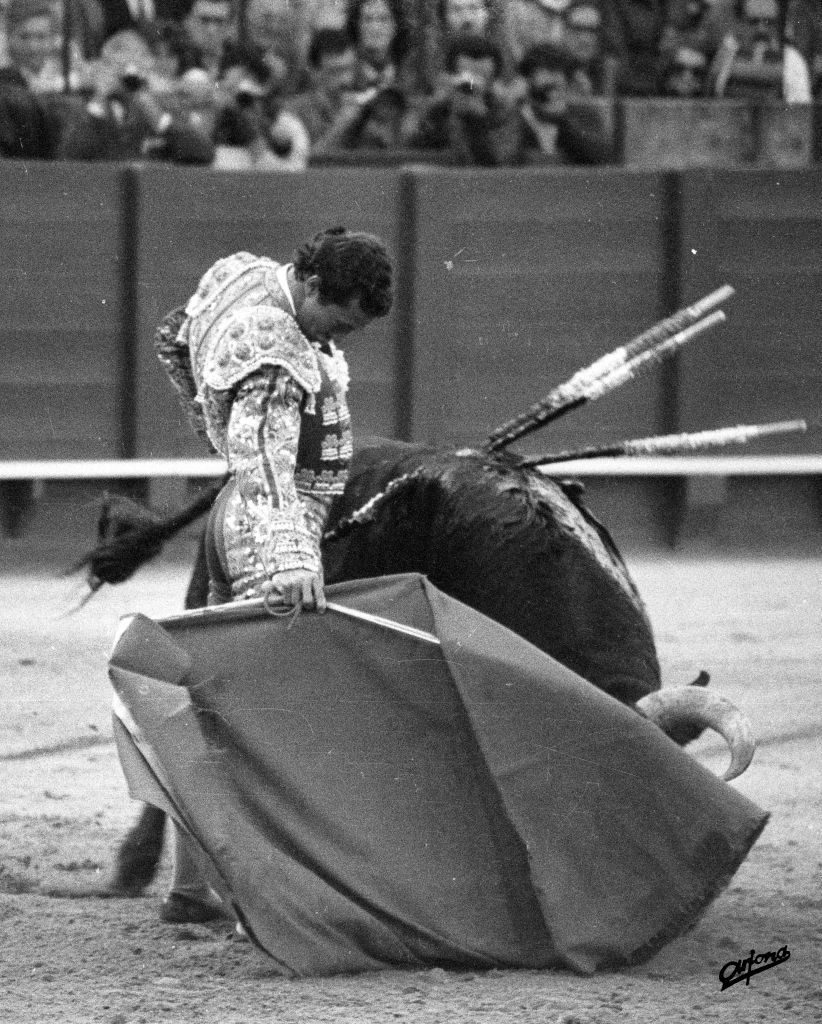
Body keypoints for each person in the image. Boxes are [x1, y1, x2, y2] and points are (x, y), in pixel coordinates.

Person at [152, 227, 393, 922]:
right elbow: (264, 460)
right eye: (340, 319)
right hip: (270, 531)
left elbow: (176, 334)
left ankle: (192, 889)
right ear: (313, 287)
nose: (341, 335)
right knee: (271, 722)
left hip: (235, 518)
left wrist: (210, 422)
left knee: (217, 708)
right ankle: (264, 903)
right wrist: (290, 558)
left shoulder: (246, 274)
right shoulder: (274, 346)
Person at [404, 31, 523, 165]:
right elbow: (411, 149)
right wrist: (437, 109)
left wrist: (479, 120)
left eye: (480, 77)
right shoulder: (439, 107)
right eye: (468, 78)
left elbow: (504, 160)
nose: (472, 85)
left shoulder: (503, 110)